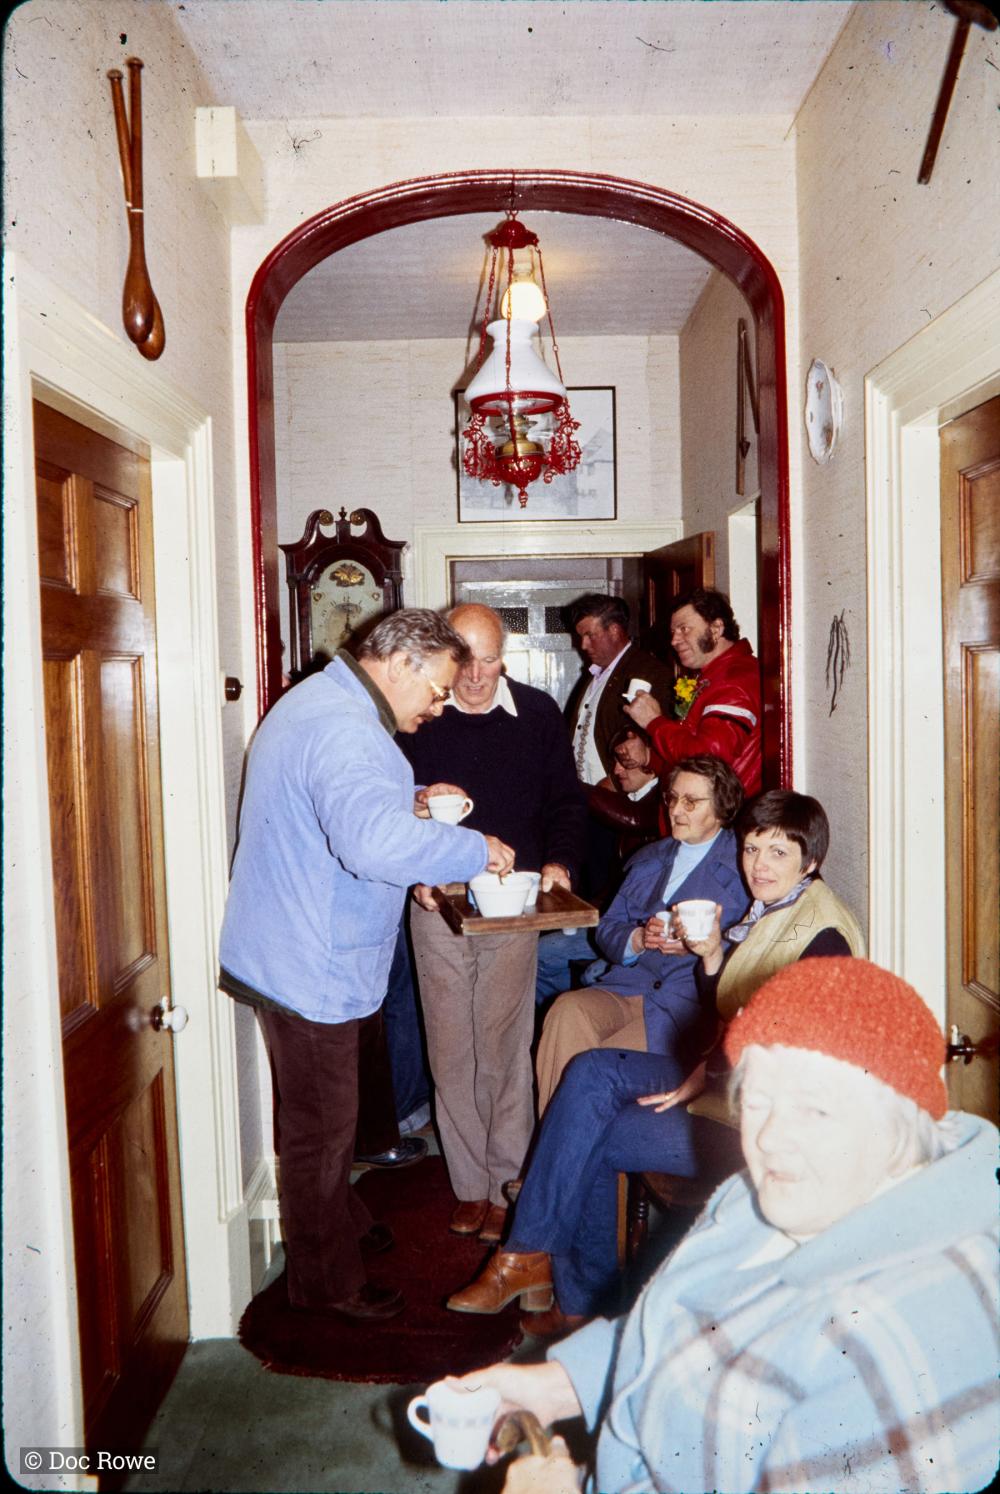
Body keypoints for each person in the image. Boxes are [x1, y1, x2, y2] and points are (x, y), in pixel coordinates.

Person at [450, 958, 999, 1494]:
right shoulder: (769, 1194)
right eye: (758, 1102)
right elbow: (680, 1319)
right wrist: (561, 1384)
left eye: (817, 1110)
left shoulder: (905, 1343)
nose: (770, 1137)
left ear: (900, 1121)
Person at [449, 789, 864, 1333]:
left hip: (759, 1123)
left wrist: (710, 1069)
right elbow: (734, 1003)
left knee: (593, 1128)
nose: (758, 866)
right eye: (752, 849)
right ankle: (549, 1276)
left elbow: (799, 1054)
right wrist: (714, 955)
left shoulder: (823, 933)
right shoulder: (772, 908)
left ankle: (557, 1284)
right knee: (591, 1073)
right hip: (726, 1087)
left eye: (778, 853)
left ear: (810, 862)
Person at [218, 610, 515, 1321]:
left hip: (293, 943)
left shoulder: (325, 700)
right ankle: (325, 1285)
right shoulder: (350, 730)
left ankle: (343, 1224)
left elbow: (345, 815)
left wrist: (402, 810)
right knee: (321, 1132)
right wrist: (477, 850)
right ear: (403, 664)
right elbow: (373, 847)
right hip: (309, 960)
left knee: (333, 1118)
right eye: (439, 689)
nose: (440, 705)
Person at [399, 604, 587, 1244]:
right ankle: (469, 1186)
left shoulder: (536, 714)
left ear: (503, 657)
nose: (474, 677)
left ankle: (509, 1181)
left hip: (513, 901)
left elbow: (567, 801)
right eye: (463, 661)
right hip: (439, 899)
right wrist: (416, 811)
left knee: (503, 1045)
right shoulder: (420, 714)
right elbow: (390, 808)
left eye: (486, 661)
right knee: (450, 1045)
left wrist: (559, 862)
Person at [534, 756, 748, 1112]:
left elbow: (752, 941)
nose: (677, 810)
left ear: (723, 808)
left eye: (691, 802)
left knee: (587, 1067)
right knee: (567, 1010)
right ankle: (560, 1159)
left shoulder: (742, 867)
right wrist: (635, 940)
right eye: (673, 798)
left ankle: (564, 1161)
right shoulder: (650, 857)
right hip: (626, 987)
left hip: (682, 1009)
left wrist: (705, 947)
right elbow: (607, 926)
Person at [534, 727, 660, 1009]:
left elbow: (634, 819)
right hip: (619, 924)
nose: (615, 770)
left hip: (641, 931)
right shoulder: (633, 802)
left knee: (572, 966)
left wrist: (565, 783)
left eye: (625, 761)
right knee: (543, 952)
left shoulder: (658, 805)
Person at [565, 593, 675, 900]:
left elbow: (654, 739)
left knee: (605, 886)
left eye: (589, 635)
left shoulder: (647, 670)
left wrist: (613, 782)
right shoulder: (596, 674)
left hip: (615, 803)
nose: (583, 645)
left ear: (614, 630)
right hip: (589, 801)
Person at [626, 586, 762, 796]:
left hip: (723, 820)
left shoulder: (735, 677)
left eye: (684, 629)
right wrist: (647, 758)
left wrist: (654, 722)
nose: (674, 640)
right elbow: (688, 753)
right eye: (673, 632)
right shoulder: (714, 674)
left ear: (716, 629)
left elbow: (708, 759)